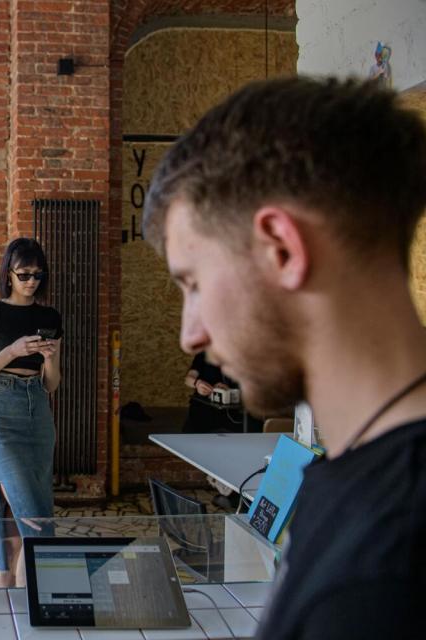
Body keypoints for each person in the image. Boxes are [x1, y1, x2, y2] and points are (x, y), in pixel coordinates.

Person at [143, 77, 426, 639]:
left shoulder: (381, 574)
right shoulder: (352, 486)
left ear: (282, 249)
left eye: (194, 282)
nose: (189, 333)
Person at [0, 237, 62, 586]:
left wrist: (48, 359)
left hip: (38, 413)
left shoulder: (50, 316)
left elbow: (51, 385)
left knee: (19, 508)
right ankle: (31, 596)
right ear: (9, 275)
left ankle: (6, 588)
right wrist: (12, 352)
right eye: (24, 275)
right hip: (0, 415)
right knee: (33, 516)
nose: (31, 281)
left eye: (37, 275)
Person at [183, 351, 243, 434]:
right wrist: (197, 383)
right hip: (204, 411)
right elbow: (188, 378)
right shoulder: (204, 353)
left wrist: (230, 390)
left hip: (234, 413)